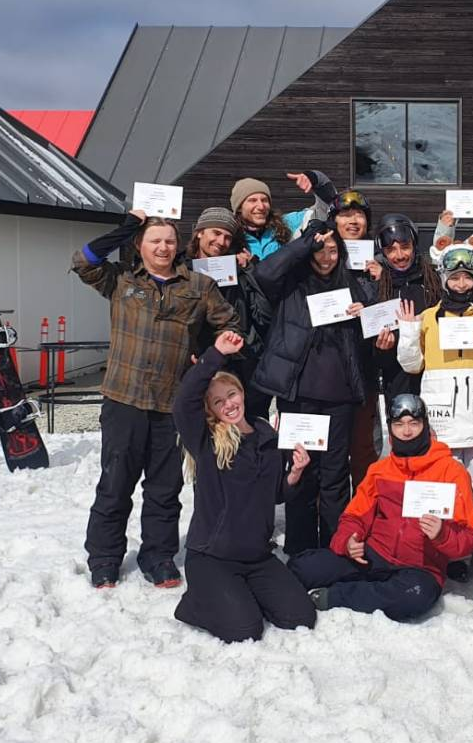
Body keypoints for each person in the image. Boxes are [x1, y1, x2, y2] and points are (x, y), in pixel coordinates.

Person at [72, 209, 238, 589]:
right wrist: (129, 225)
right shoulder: (121, 280)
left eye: (169, 241)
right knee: (115, 484)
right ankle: (104, 558)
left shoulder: (199, 285)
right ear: (140, 245)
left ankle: (159, 556)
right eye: (154, 240)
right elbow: (83, 260)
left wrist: (209, 350)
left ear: (178, 245)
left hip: (171, 403)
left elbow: (228, 323)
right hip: (124, 399)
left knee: (165, 488)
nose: (163, 247)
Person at [171, 332, 318, 642]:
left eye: (231, 394)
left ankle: (239, 595)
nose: (228, 404)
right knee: (245, 630)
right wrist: (215, 354)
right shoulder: (206, 441)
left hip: (257, 556)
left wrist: (295, 474)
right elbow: (183, 402)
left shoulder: (266, 435)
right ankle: (195, 603)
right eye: (218, 402)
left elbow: (275, 495)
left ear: (241, 393)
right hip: (212, 557)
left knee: (301, 617)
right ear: (210, 410)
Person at [288, 394, 473, 621]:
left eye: (414, 424)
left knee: (415, 596)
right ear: (390, 429)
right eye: (399, 425)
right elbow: (354, 516)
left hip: (420, 568)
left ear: (426, 426)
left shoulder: (451, 472)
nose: (406, 432)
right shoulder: (380, 470)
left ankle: (338, 596)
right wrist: (348, 541)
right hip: (374, 553)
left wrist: (442, 534)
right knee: (303, 567)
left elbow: (469, 538)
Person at [252, 221, 372, 554]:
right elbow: (263, 274)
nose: (326, 257)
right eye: (320, 250)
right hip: (299, 396)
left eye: (333, 250)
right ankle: (300, 548)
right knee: (302, 469)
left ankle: (334, 546)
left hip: (340, 398)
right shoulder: (292, 283)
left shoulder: (351, 285)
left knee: (335, 475)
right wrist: (306, 242)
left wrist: (364, 315)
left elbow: (371, 337)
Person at [396, 243, 473, 562]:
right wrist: (408, 331)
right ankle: (455, 556)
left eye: (467, 277)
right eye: (455, 277)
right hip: (442, 419)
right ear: (444, 279)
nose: (461, 284)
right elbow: (411, 365)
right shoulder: (428, 317)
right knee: (446, 491)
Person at [188, 207, 272, 392]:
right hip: (195, 361)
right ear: (199, 232)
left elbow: (263, 316)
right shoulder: (181, 269)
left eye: (227, 237)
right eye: (216, 233)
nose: (221, 242)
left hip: (237, 363)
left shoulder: (238, 272)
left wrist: (251, 270)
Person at [328, 189, 378, 488]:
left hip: (365, 370)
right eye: (345, 215)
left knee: (363, 450)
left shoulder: (378, 260)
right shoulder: (321, 258)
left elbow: (391, 311)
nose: (353, 221)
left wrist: (382, 280)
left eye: (359, 215)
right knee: (331, 453)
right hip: (329, 371)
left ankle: (364, 508)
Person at [365, 212, 441, 401]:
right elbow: (377, 361)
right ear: (383, 252)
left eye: (405, 247)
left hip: (436, 382)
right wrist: (383, 349)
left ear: (414, 245)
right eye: (391, 250)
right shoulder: (380, 288)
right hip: (399, 386)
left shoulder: (434, 281)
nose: (399, 256)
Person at [231, 171, 338, 262]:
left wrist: (315, 179)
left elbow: (326, 208)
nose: (261, 206)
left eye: (264, 200)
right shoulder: (230, 236)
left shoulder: (287, 224)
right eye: (252, 200)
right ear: (239, 207)